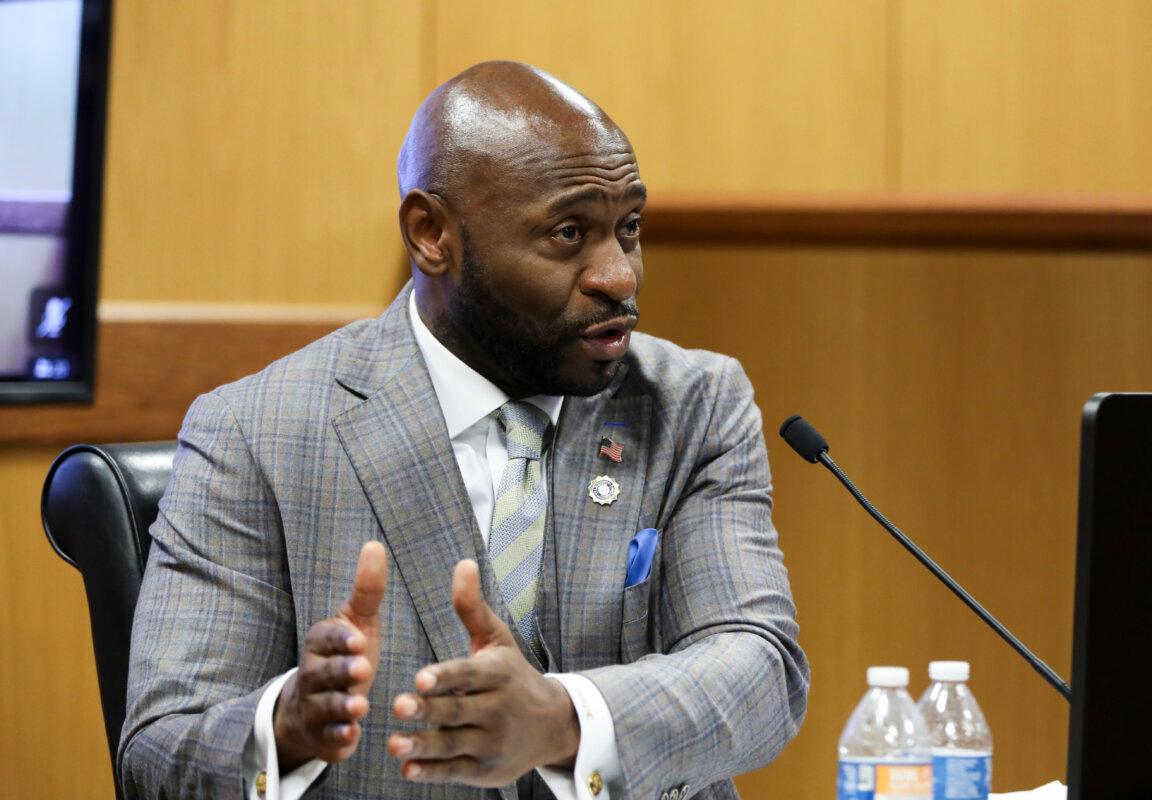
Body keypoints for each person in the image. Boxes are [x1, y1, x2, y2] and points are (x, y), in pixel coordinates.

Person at [118, 61, 809, 800]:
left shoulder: (693, 403)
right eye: (569, 232)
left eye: (629, 228)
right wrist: (281, 729)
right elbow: (158, 749)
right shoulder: (256, 433)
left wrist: (564, 722)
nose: (618, 275)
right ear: (431, 235)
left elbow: (760, 668)